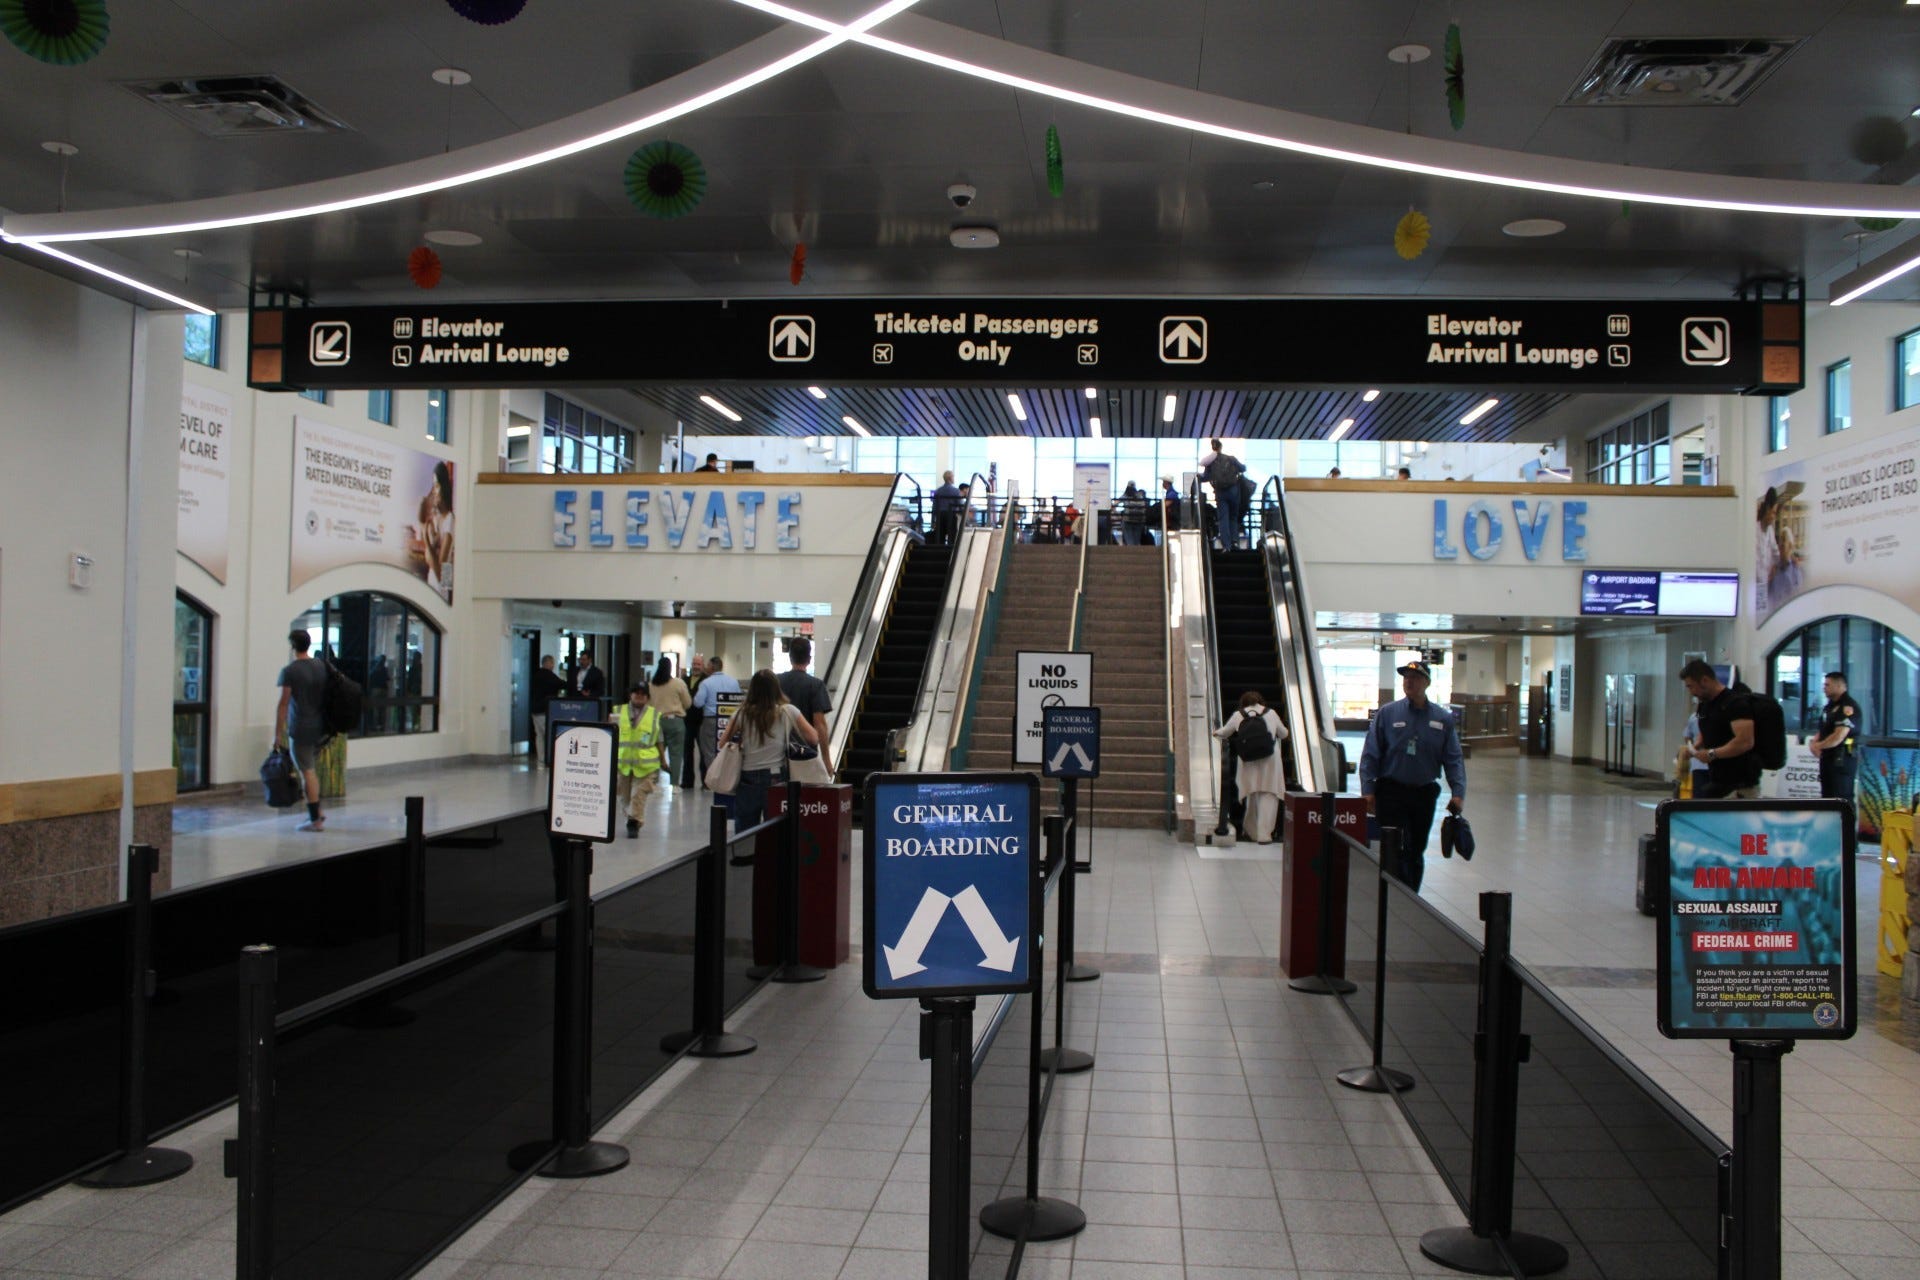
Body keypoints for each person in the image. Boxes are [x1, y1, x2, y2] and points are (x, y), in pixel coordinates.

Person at [1359, 660, 1465, 890]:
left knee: (1416, 848)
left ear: (1427, 683)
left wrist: (1458, 793)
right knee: (1393, 846)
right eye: (1406, 677)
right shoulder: (1388, 713)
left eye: (1415, 678)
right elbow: (1370, 754)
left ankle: (1410, 895)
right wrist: (1368, 790)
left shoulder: (1442, 719)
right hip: (1391, 792)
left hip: (1423, 794)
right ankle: (1392, 891)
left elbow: (1453, 758)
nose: (1409, 681)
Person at [720, 669, 820, 830]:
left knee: (744, 830)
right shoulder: (787, 711)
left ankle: (746, 847)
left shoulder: (741, 714)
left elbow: (722, 743)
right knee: (775, 829)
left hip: (747, 778)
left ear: (752, 689)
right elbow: (813, 738)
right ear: (776, 689)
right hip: (776, 777)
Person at [1213, 691, 1289, 844]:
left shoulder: (1238, 714)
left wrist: (1214, 732)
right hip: (1270, 760)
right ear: (1261, 701)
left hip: (1248, 760)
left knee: (1252, 793)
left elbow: (1224, 732)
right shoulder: (1271, 713)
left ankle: (1251, 831)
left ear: (1243, 703)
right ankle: (1264, 835)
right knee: (1269, 794)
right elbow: (1284, 734)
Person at [1680, 660, 1762, 799]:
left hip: (1741, 783)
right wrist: (1695, 747)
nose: (1691, 692)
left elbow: (1745, 741)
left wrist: (1712, 754)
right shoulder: (1704, 704)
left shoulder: (1735, 703)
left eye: (1691, 686)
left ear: (1704, 680)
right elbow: (1705, 730)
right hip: (1717, 779)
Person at [274, 629, 330, 833]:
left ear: (292, 646)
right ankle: (318, 811)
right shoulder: (321, 666)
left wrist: (277, 734)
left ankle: (315, 820)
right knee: (311, 769)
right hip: (321, 727)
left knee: (307, 772)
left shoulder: (290, 671)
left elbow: (284, 704)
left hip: (301, 728)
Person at [777, 637, 834, 776]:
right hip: (806, 754)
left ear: (790, 658)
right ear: (809, 659)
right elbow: (820, 724)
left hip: (778, 752)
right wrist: (826, 760)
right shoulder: (816, 685)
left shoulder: (776, 682)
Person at [612, 683, 664, 837]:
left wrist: (663, 760)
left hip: (646, 765)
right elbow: (611, 735)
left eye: (643, 694)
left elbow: (659, 740)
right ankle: (631, 817)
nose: (639, 696)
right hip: (623, 764)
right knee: (625, 797)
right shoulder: (618, 712)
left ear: (647, 697)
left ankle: (634, 822)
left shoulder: (654, 715)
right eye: (636, 693)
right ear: (630, 695)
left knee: (638, 794)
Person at [1808, 670, 1861, 802]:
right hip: (1828, 758)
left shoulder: (1847, 707)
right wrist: (1814, 742)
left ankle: (1845, 817)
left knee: (1841, 797)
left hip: (1841, 759)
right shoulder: (1830, 707)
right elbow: (1826, 729)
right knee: (1827, 797)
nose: (1824, 688)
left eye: (1827, 685)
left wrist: (1818, 745)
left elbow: (1839, 736)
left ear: (1839, 686)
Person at [692, 656, 741, 783]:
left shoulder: (706, 683)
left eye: (707, 665)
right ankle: (728, 779)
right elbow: (739, 701)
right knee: (729, 750)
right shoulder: (733, 682)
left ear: (712, 667)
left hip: (710, 720)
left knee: (709, 752)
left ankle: (713, 780)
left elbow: (698, 703)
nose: (706, 668)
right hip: (730, 721)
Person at [649, 656, 693, 785]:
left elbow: (648, 705)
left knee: (655, 753)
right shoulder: (678, 683)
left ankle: (652, 782)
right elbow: (688, 703)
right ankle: (674, 784)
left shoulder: (651, 684)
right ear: (670, 668)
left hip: (656, 721)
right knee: (676, 754)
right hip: (675, 722)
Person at [416, 460, 454, 602]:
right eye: (433, 487)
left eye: (437, 486)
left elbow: (442, 574)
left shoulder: (450, 520)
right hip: (433, 586)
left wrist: (428, 544)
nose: (434, 492)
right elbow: (421, 521)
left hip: (441, 591)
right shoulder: (437, 520)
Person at [1200, 437, 1248, 550]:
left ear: (1213, 448)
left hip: (1220, 492)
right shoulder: (1231, 459)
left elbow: (1206, 477)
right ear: (1221, 447)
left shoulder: (1210, 463)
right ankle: (1235, 542)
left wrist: (1197, 477)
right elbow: (1243, 468)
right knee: (1233, 517)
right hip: (1233, 491)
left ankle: (1226, 545)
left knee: (1223, 518)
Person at [530, 654, 565, 764]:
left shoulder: (536, 675)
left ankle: (541, 758)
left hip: (535, 709)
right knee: (548, 734)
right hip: (545, 710)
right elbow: (561, 684)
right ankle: (550, 757)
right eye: (552, 663)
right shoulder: (549, 675)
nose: (553, 665)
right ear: (547, 663)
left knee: (539, 735)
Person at [682, 657, 708, 788]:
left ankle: (705, 781)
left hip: (701, 720)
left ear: (703, 666)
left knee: (703, 752)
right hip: (687, 720)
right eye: (694, 664)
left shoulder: (706, 681)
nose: (696, 666)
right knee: (687, 752)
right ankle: (687, 781)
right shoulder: (684, 680)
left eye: (698, 664)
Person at [1681, 704, 1711, 798]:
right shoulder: (1720, 715)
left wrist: (1692, 750)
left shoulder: (1693, 717)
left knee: (1699, 797)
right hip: (1715, 764)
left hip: (1697, 764)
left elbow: (1687, 737)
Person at [931, 470, 961, 545]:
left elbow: (934, 506)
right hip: (951, 516)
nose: (954, 478)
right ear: (950, 478)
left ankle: (939, 550)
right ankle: (951, 550)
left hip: (940, 516)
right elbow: (960, 504)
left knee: (940, 536)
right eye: (953, 477)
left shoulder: (938, 491)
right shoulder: (956, 491)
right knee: (952, 536)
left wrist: (933, 521)